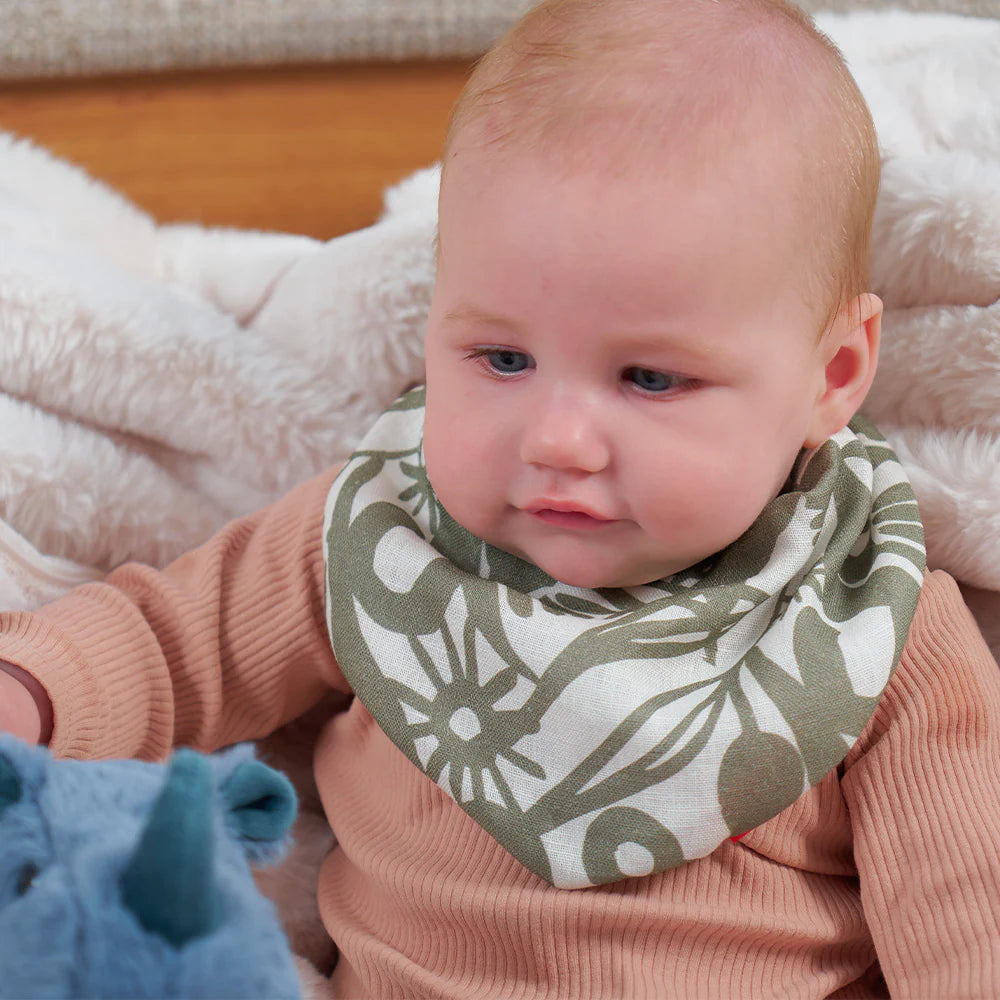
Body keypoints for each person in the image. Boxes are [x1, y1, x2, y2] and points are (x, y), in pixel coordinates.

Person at [2, 0, 999, 996]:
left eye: (650, 379)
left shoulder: (876, 619)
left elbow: (962, 903)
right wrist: (30, 693)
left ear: (831, 374)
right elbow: (177, 644)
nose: (556, 439)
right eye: (502, 357)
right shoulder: (382, 530)